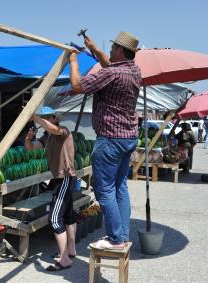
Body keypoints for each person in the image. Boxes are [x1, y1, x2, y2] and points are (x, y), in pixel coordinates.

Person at [66, 31, 141, 250]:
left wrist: (72, 60)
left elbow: (78, 86)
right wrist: (94, 49)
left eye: (112, 47)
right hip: (128, 137)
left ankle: (116, 239)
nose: (108, 50)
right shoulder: (133, 70)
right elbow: (109, 65)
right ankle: (122, 235)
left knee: (104, 190)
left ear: (119, 50)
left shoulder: (112, 73)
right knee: (120, 187)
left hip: (109, 139)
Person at [25, 106, 77, 271]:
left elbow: (53, 128)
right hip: (61, 179)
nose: (44, 120)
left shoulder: (63, 131)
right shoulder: (46, 137)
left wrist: (34, 117)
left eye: (47, 117)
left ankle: (64, 260)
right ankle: (70, 250)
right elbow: (31, 149)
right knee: (68, 215)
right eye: (42, 117)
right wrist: (28, 138)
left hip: (65, 178)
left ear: (55, 118)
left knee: (54, 219)